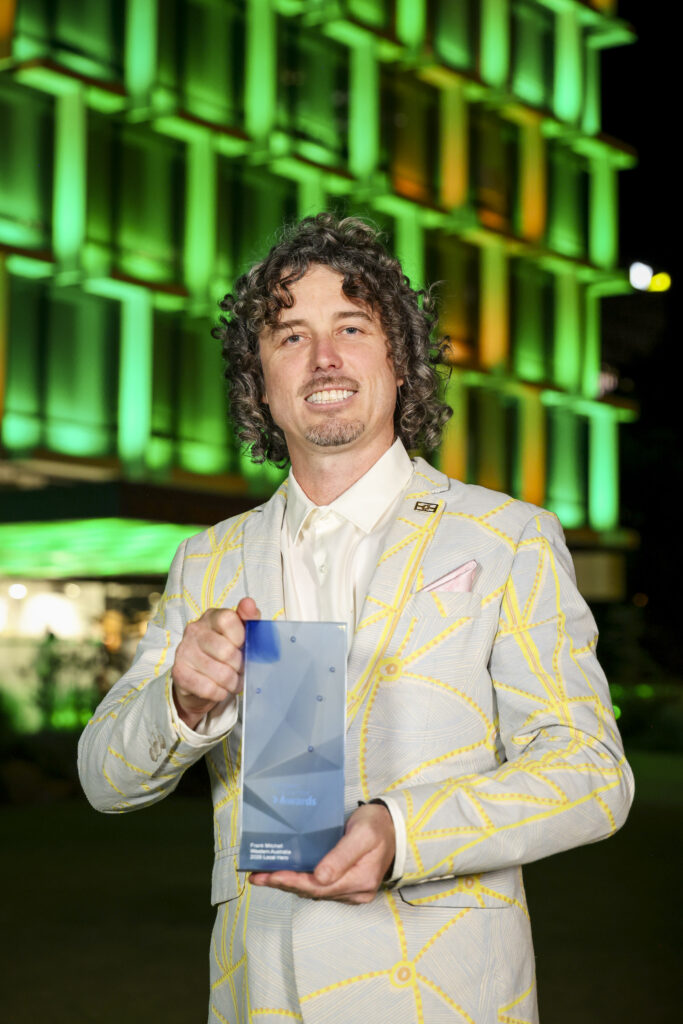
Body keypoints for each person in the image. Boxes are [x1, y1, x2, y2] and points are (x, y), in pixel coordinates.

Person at [78, 213, 633, 1023]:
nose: (324, 357)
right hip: (260, 993)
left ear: (398, 360)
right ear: (259, 381)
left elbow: (590, 771)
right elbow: (103, 780)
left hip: (442, 997)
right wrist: (183, 702)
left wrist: (402, 834)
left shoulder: (507, 536)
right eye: (290, 336)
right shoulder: (208, 560)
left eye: (351, 326)